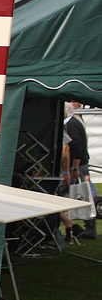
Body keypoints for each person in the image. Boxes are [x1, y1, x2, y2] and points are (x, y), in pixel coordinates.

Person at [63, 101, 95, 240]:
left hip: (76, 165)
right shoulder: (75, 122)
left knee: (82, 195)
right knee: (81, 194)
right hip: (79, 164)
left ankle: (88, 228)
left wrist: (74, 168)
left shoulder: (71, 124)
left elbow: (76, 146)